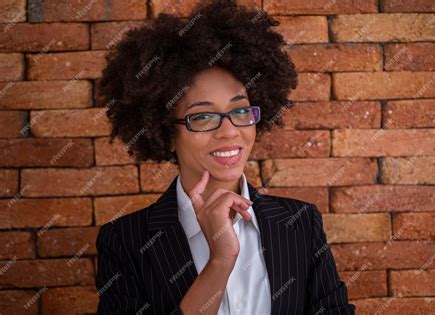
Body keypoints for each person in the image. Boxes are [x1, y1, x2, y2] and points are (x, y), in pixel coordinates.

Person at [95, 0, 356, 314]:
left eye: (240, 110)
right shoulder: (126, 242)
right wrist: (220, 260)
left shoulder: (301, 225)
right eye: (202, 117)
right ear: (165, 132)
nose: (230, 132)